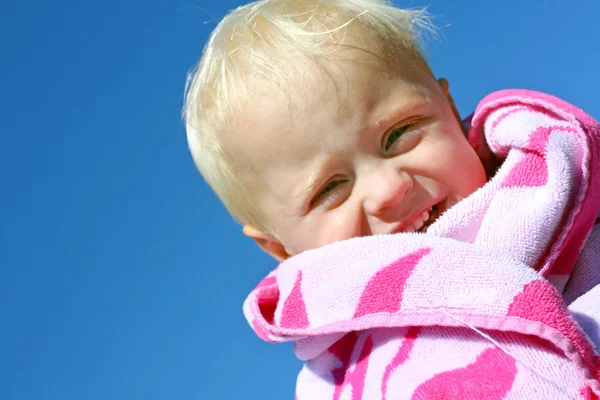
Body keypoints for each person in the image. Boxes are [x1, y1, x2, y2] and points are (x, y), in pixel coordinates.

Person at [183, 0, 600, 398]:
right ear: (279, 247)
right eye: (330, 188)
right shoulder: (344, 376)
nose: (388, 189)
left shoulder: (576, 187)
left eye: (400, 133)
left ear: (450, 109)